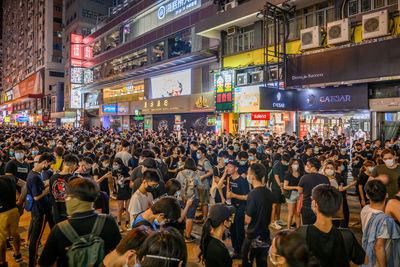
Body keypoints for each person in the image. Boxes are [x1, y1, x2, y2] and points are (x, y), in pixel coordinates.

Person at [38, 178, 121, 267]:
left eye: (67, 196)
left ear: (76, 199)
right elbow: (120, 254)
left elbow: (44, 263)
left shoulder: (60, 229)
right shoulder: (108, 222)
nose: (65, 199)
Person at [297, 184, 367, 267]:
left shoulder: (300, 234)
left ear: (314, 204)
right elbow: (364, 260)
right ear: (337, 207)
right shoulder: (347, 235)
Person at [361, 180, 400, 267]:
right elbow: (379, 247)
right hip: (378, 261)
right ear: (386, 195)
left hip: (367, 256)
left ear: (367, 196)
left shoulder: (365, 209)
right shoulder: (385, 220)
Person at [26, 152, 55, 267]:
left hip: (43, 209)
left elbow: (40, 185)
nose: (50, 167)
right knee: (36, 239)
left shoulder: (35, 172)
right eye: (50, 164)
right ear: (44, 162)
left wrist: (48, 182)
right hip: (40, 211)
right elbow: (36, 196)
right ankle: (32, 262)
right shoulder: (34, 177)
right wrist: (49, 189)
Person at [242, 163, 273, 267]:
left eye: (248, 173)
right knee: (262, 262)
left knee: (247, 262)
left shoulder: (253, 194)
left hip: (253, 236)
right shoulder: (268, 191)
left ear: (253, 177)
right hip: (265, 235)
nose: (247, 176)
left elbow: (248, 220)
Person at [219, 160, 249, 258]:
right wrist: (224, 174)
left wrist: (234, 195)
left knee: (239, 230)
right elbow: (219, 186)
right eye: (227, 166)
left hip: (240, 208)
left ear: (236, 169)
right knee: (232, 229)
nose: (228, 168)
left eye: (230, 167)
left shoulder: (242, 180)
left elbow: (247, 197)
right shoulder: (228, 179)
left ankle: (241, 251)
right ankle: (236, 249)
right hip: (230, 209)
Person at [298, 158, 330, 225]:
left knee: (307, 228)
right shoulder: (325, 178)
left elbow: (300, 191)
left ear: (313, 167)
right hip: (321, 207)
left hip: (307, 206)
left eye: (307, 165)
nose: (306, 167)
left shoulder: (304, 177)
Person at [175, 158, 201, 242]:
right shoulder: (196, 174)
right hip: (192, 198)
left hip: (181, 197)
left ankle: (183, 232)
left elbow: (176, 185)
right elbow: (200, 187)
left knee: (183, 214)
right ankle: (188, 236)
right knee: (190, 216)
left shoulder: (180, 173)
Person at [49, 154, 79, 224]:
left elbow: (51, 196)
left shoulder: (53, 178)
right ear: (74, 165)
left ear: (64, 163)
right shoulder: (74, 179)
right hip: (70, 213)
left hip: (56, 212)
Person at [0, 175, 22, 266]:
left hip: (2, 214)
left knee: (1, 239)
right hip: (13, 210)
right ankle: (17, 254)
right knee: (15, 233)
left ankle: (3, 262)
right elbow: (24, 185)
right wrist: (21, 200)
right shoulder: (10, 178)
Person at [270, 153, 290, 230]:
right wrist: (281, 187)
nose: (287, 163)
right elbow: (276, 177)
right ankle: (272, 222)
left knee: (279, 204)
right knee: (274, 205)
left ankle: (278, 219)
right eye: (286, 161)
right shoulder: (277, 165)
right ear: (283, 160)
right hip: (276, 187)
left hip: (282, 187)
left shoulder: (286, 165)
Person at [112, 158, 132, 232]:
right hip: (120, 190)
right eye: (114, 164)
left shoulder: (126, 169)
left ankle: (127, 223)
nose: (114, 165)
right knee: (120, 208)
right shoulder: (114, 172)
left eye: (116, 164)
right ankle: (119, 224)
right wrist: (118, 180)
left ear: (120, 164)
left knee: (127, 208)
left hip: (127, 189)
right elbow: (115, 182)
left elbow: (132, 176)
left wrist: (125, 179)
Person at [283, 159, 303, 229]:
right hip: (291, 195)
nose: (296, 165)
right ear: (291, 165)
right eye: (294, 164)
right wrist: (296, 187)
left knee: (298, 213)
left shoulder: (301, 174)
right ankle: (288, 229)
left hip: (299, 195)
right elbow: (285, 186)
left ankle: (298, 229)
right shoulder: (288, 174)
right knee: (291, 213)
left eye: (297, 164)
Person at [197, 147, 213, 222]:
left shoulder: (206, 162)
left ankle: (205, 218)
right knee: (202, 201)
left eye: (199, 153)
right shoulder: (199, 161)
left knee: (204, 202)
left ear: (203, 154)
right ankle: (203, 215)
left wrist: (202, 176)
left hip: (205, 185)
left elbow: (211, 172)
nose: (197, 154)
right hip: (200, 184)